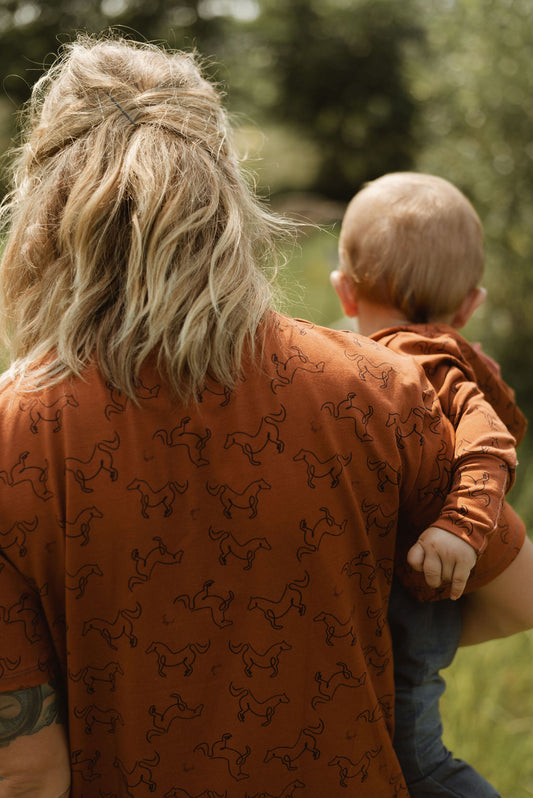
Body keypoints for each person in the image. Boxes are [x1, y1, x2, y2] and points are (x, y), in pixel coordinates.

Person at [0, 38, 520, 798]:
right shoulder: (378, 389)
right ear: (226, 196)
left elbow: (28, 771)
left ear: (45, 208)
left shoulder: (14, 440)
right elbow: (514, 600)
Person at [331, 171, 533, 797]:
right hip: (400, 594)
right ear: (470, 304)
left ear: (346, 292)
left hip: (421, 590)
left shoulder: (427, 364)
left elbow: (490, 444)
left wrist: (459, 531)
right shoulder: (380, 365)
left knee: (415, 760)